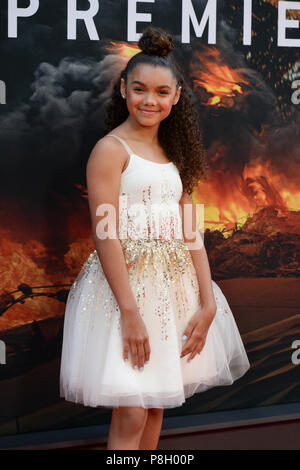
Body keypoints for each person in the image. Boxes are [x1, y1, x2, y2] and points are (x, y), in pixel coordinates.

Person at [59, 26, 250, 450]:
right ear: (124, 89)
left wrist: (208, 302)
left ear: (177, 96)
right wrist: (128, 312)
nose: (150, 100)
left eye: (162, 92)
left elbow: (191, 232)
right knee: (131, 409)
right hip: (124, 291)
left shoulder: (175, 156)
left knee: (157, 403)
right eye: (140, 89)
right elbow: (105, 235)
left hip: (172, 292)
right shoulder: (110, 150)